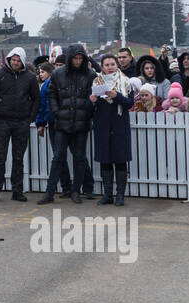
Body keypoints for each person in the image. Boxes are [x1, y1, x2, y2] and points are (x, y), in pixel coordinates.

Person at [38, 44, 94, 205]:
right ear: (70, 58)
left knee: (80, 158)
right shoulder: (57, 73)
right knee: (58, 158)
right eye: (75, 58)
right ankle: (49, 192)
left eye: (80, 58)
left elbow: (93, 98)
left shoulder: (90, 75)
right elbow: (52, 94)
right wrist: (56, 112)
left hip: (81, 123)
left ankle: (76, 191)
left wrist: (86, 113)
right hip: (62, 121)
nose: (77, 61)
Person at [0, 46, 40, 202]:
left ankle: (17, 190)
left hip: (21, 121)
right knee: (0, 158)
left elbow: (36, 98)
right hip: (2, 120)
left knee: (18, 158)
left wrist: (31, 117)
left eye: (18, 60)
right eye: (13, 60)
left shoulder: (30, 77)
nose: (15, 63)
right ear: (9, 59)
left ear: (23, 61)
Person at [89, 54, 133, 205]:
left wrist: (117, 96)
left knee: (121, 161)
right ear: (102, 67)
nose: (109, 67)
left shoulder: (126, 82)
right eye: (106, 65)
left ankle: (120, 195)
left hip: (120, 126)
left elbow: (129, 104)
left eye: (112, 64)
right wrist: (92, 101)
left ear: (117, 65)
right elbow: (90, 109)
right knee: (105, 161)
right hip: (102, 126)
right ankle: (107, 195)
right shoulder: (96, 82)